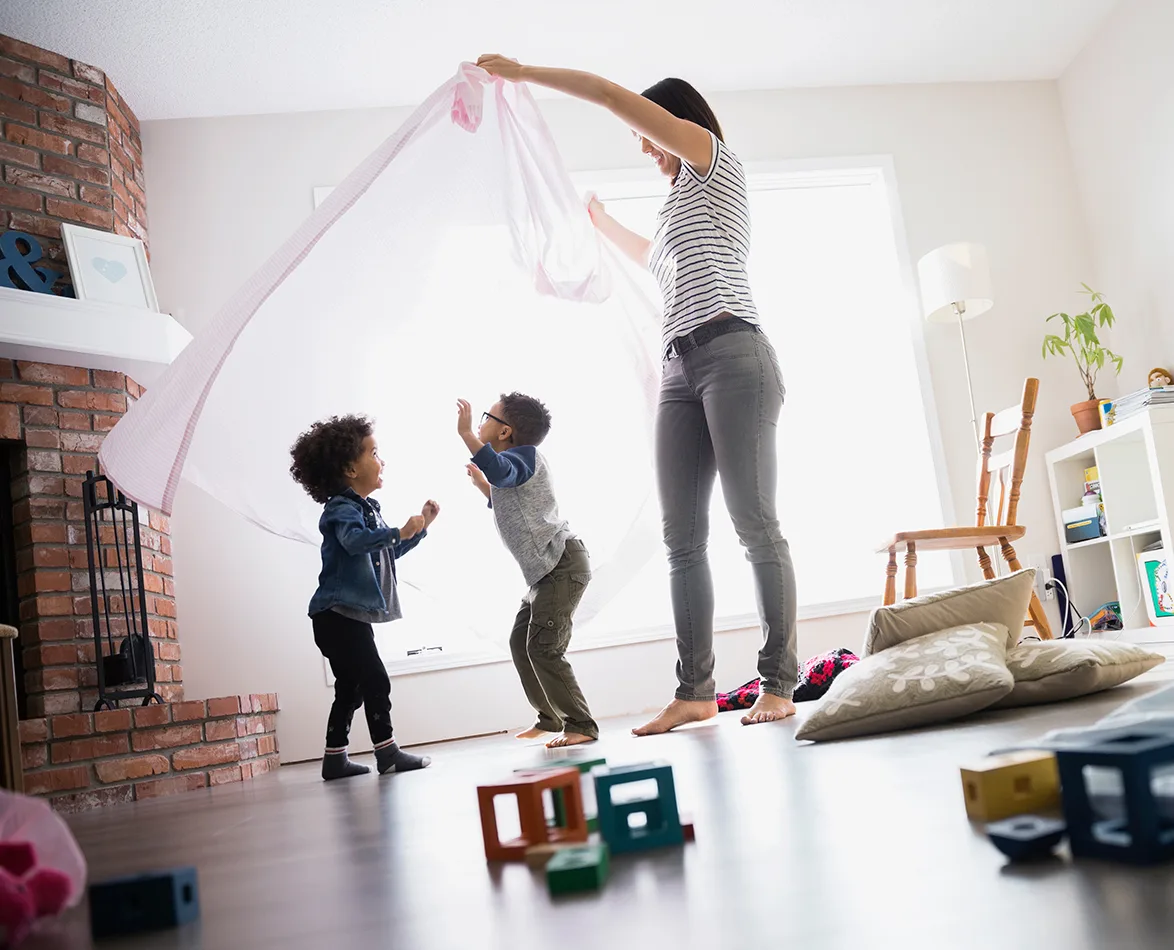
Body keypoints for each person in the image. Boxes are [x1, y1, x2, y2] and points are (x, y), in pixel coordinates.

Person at [476, 55, 798, 734]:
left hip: (736, 356)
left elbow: (608, 94)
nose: (648, 150)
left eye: (650, 137)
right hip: (680, 370)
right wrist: (595, 223)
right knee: (681, 536)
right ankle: (695, 692)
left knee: (754, 524)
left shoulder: (714, 160)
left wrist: (524, 73)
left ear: (676, 122)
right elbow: (652, 253)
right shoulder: (683, 202)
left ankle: (779, 683)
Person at [289, 414, 438, 779]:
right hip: (337, 616)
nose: (381, 460)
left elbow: (383, 555)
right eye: (373, 452)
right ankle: (387, 753)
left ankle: (334, 758)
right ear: (350, 469)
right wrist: (397, 531)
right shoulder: (342, 510)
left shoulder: (366, 510)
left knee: (351, 688)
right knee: (375, 680)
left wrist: (417, 531)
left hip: (345, 616)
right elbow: (355, 543)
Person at [457, 394, 598, 748]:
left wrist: (466, 436)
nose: (479, 422)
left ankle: (580, 723)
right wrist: (483, 488)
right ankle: (549, 718)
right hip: (544, 573)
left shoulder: (523, 458)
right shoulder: (511, 464)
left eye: (486, 417)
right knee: (521, 643)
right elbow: (513, 501)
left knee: (545, 648)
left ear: (505, 432)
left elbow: (504, 473)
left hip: (561, 566)